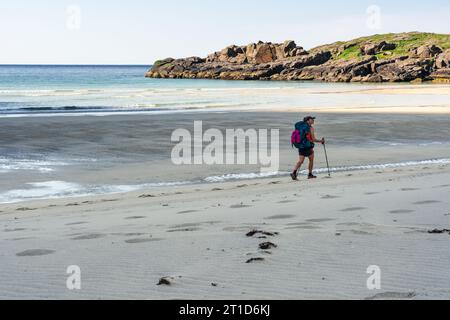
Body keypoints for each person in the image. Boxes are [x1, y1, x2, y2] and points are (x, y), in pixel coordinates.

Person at [291, 116, 325, 181]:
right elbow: (313, 139)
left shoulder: (300, 127)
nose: (313, 120)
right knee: (311, 160)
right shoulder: (310, 128)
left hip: (300, 146)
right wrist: (321, 141)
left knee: (301, 161)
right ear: (308, 121)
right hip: (308, 146)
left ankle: (294, 172)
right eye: (311, 119)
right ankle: (310, 174)